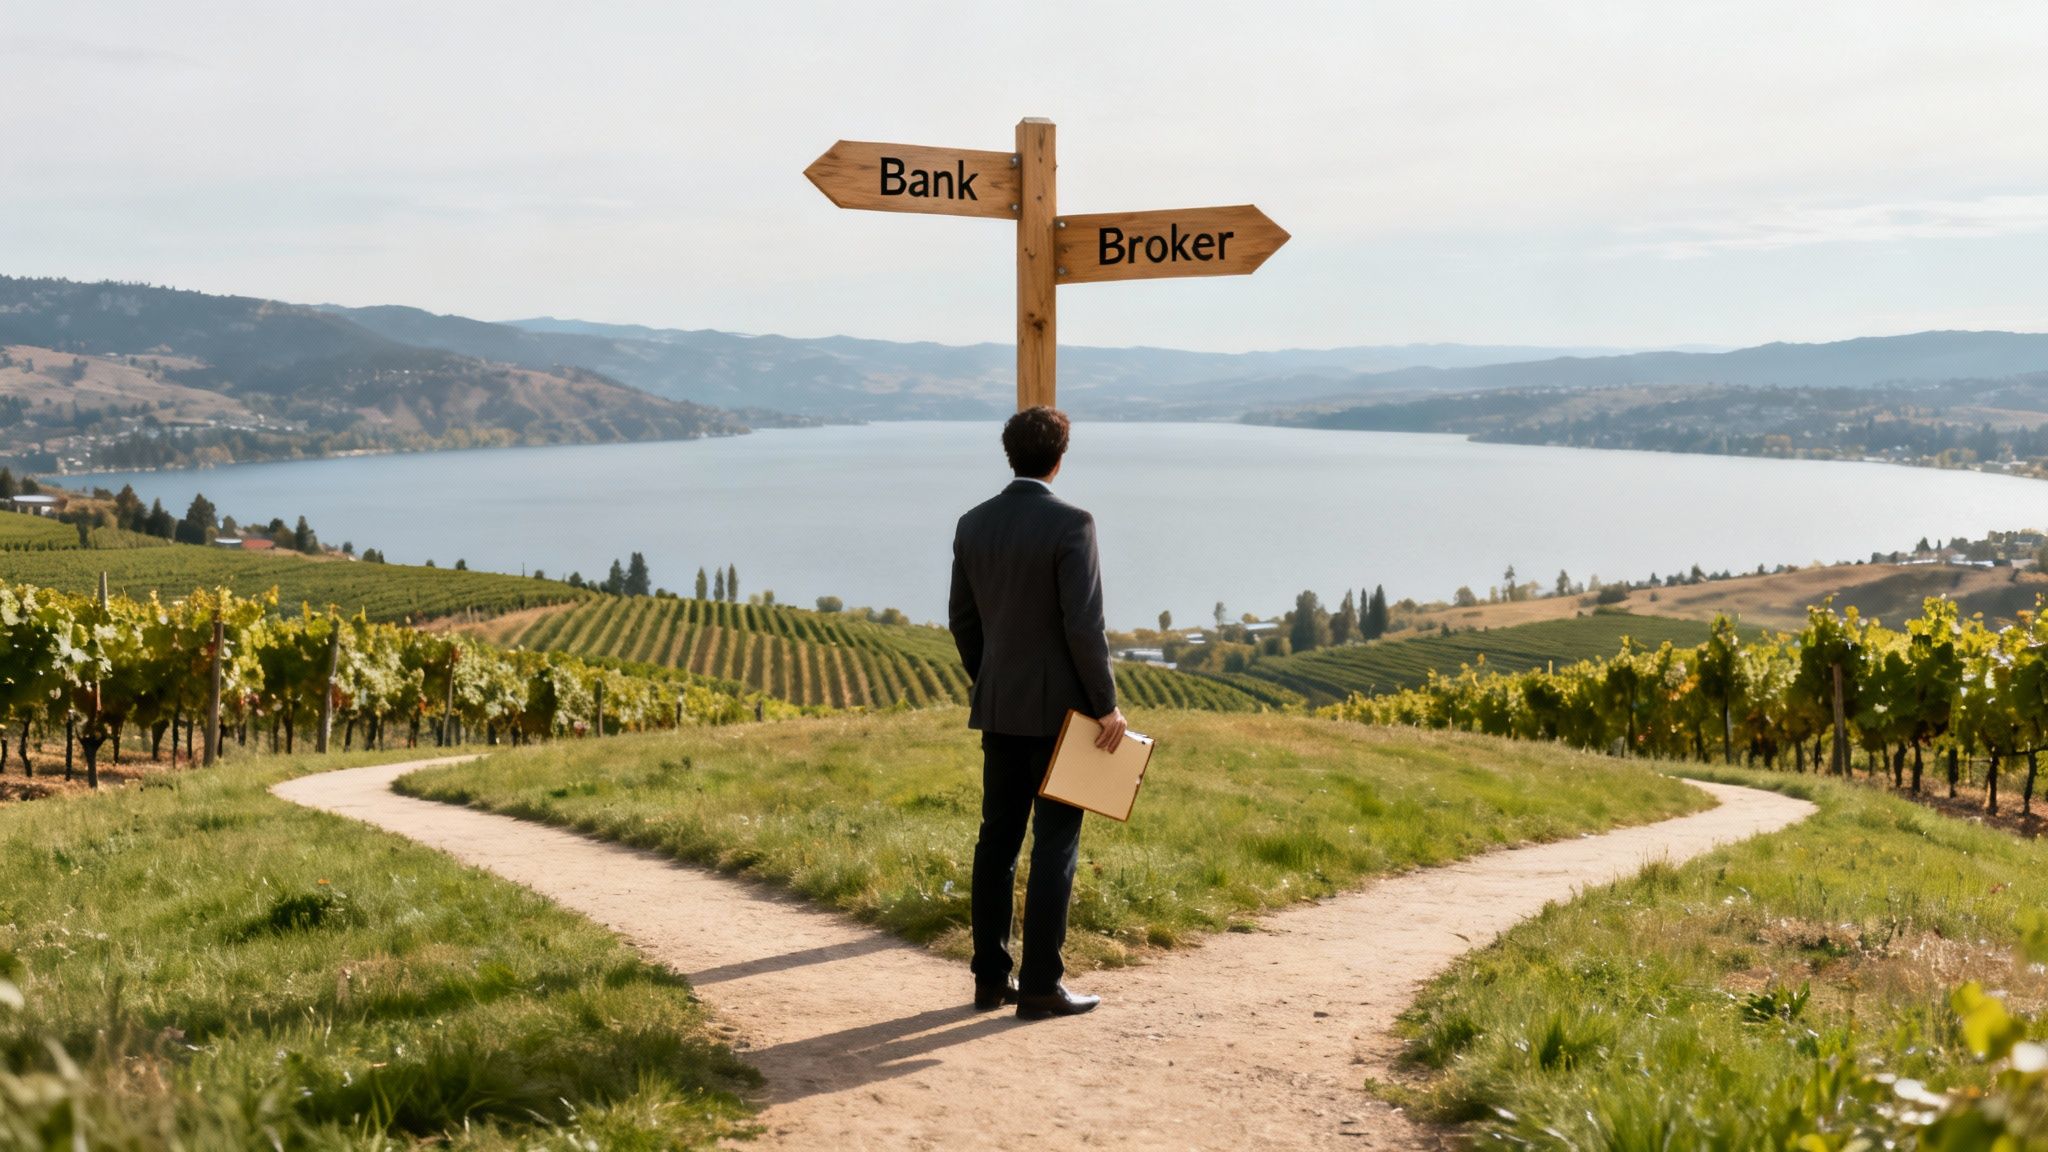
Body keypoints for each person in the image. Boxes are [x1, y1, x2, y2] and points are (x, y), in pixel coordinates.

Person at [948, 405, 1127, 1021]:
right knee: (1056, 845)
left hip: (998, 709)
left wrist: (992, 681)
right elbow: (1084, 625)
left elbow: (963, 623)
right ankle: (1042, 985)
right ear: (1059, 458)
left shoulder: (973, 524)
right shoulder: (1073, 523)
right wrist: (1106, 706)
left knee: (995, 843)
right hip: (1061, 720)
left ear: (1011, 455)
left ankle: (990, 980)